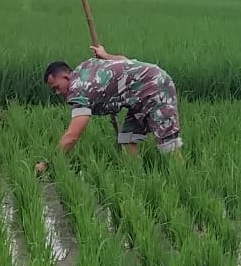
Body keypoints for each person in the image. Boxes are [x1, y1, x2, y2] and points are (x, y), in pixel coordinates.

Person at [36, 44, 183, 173]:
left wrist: (49, 163)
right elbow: (125, 61)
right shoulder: (85, 67)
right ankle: (136, 176)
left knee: (167, 143)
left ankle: (181, 177)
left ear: (66, 77)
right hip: (137, 96)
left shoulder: (79, 89)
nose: (57, 92)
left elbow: (72, 136)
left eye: (57, 87)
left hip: (156, 86)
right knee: (127, 137)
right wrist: (105, 55)